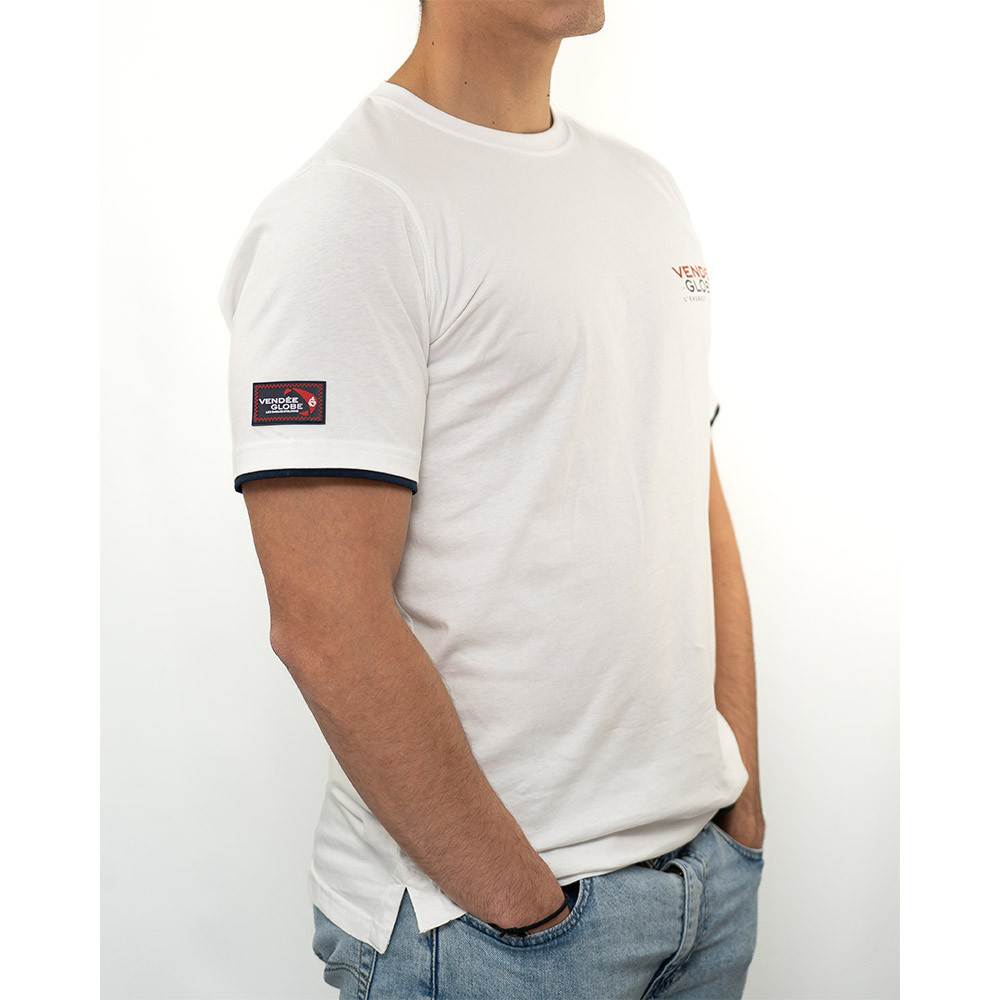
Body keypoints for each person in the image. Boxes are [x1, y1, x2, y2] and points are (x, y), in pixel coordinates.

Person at [216, 1, 765, 996]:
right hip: (485, 931)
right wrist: (523, 910)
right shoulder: (351, 209)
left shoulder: (644, 190)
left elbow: (695, 494)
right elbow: (324, 621)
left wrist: (740, 803)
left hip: (703, 890)